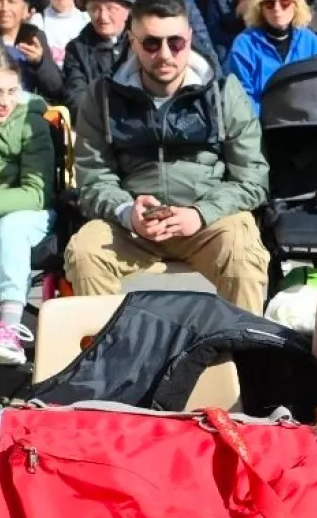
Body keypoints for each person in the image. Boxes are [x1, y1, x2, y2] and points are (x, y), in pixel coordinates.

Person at [66, 0, 270, 315]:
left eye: (175, 43)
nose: (164, 54)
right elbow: (94, 179)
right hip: (132, 225)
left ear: (189, 37)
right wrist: (126, 212)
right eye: (150, 43)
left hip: (209, 222)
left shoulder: (223, 92)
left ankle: (245, 360)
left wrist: (200, 213)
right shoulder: (102, 97)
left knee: (243, 252)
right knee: (84, 252)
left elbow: (252, 179)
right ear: (132, 41)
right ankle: (108, 358)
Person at [0, 45, 51, 366]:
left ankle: (10, 327)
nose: (4, 101)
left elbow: (36, 193)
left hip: (34, 213)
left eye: (11, 91)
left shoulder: (31, 122)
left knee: (11, 227)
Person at [225, 0, 317, 111]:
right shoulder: (244, 45)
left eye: (285, 2)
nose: (277, 9)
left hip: (305, 121)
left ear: (296, 5)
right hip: (263, 123)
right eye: (269, 3)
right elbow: (243, 98)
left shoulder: (313, 43)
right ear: (260, 8)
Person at [60, 0, 129, 119]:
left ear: (127, 11)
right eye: (95, 9)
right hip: (97, 126)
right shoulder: (77, 49)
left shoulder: (143, 42)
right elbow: (76, 95)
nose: (103, 16)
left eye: (110, 8)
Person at [0, 0, 61, 101]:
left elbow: (55, 88)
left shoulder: (35, 37)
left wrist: (39, 63)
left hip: (30, 109)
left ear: (25, 10)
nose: (4, 8)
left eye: (11, 2)